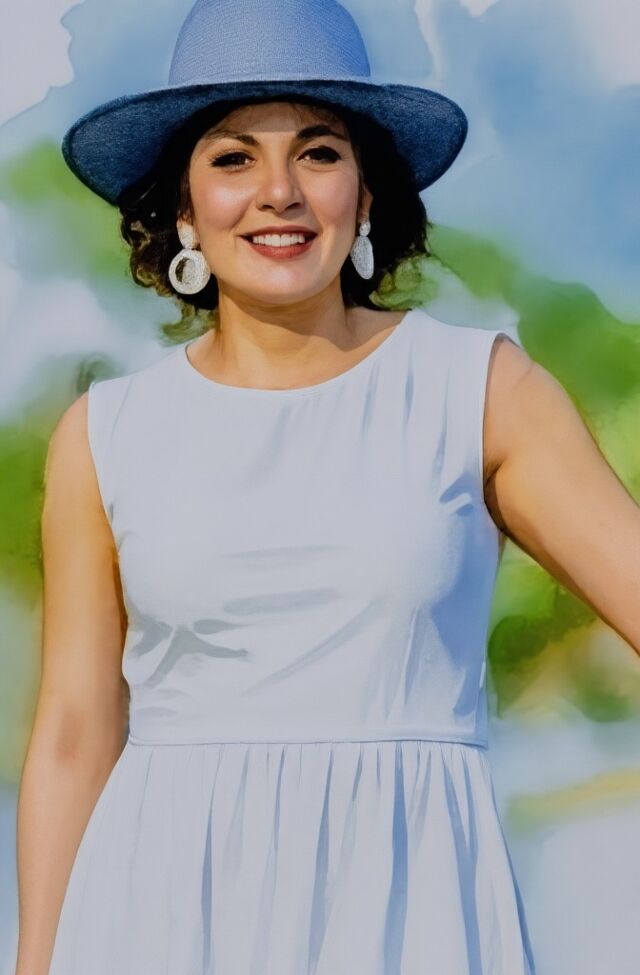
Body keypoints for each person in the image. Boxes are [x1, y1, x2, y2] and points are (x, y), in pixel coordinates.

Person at [15, 1, 640, 974]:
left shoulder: (478, 390)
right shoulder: (106, 434)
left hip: (412, 906)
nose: (279, 193)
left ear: (367, 193)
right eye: (233, 159)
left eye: (317, 153)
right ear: (182, 209)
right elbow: (73, 733)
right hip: (159, 912)